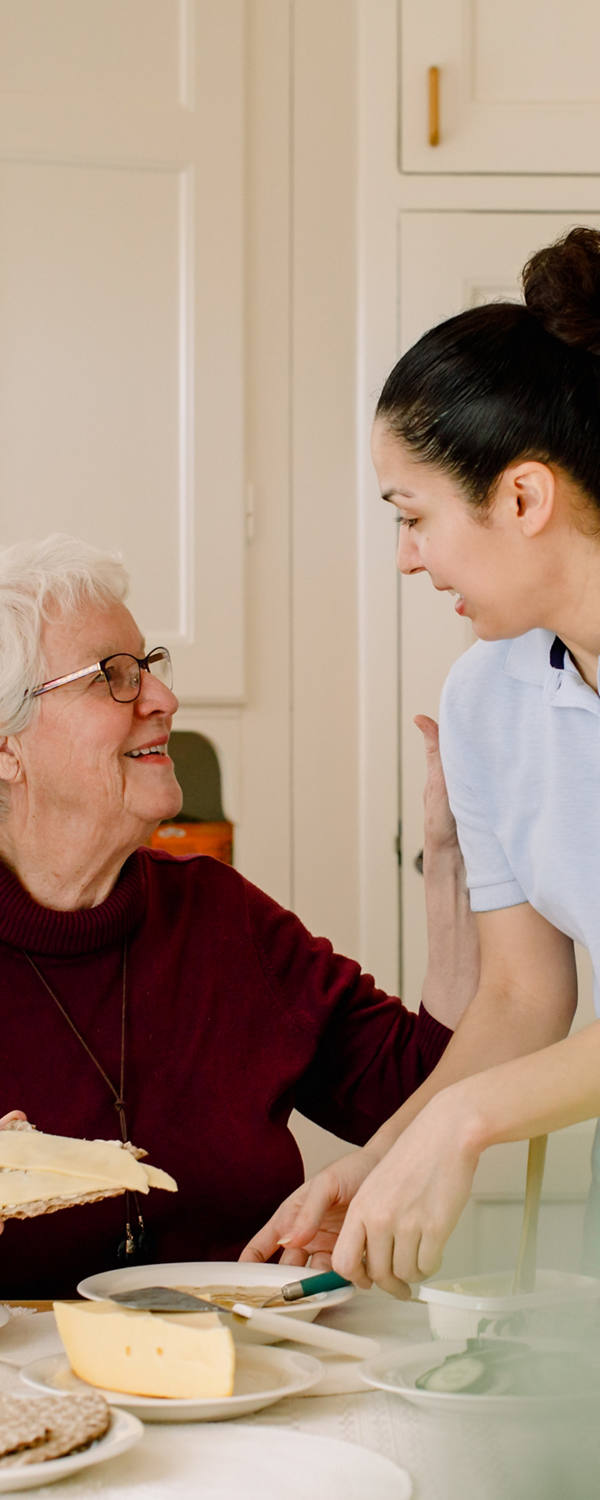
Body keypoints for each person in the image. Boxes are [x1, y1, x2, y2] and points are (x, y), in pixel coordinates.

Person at [243, 224, 600, 1293]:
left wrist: (470, 1121)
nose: (405, 555)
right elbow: (521, 997)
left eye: (414, 515)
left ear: (523, 499)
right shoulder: (487, 696)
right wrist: (382, 1154)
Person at [0, 533, 476, 1299]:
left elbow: (421, 1093)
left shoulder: (221, 918)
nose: (162, 699)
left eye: (150, 666)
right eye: (113, 678)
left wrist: (453, 858)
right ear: (6, 746)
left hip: (244, 1385)